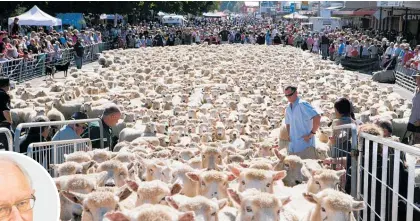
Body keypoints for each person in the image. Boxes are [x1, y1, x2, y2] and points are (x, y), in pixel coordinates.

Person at [284, 85, 321, 159]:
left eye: (290, 95)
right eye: (286, 96)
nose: (288, 97)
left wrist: (311, 134)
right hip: (293, 147)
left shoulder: (302, 104)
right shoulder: (288, 108)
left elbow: (317, 116)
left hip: (305, 147)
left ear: (296, 93)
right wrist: (289, 135)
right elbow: (288, 123)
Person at [406, 73, 420, 144]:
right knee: (411, 141)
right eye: (417, 78)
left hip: (418, 122)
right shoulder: (416, 89)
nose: (418, 80)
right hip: (412, 120)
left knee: (418, 143)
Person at [0, 77, 12, 150]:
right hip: (3, 124)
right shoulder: (4, 95)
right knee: (9, 143)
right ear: (6, 85)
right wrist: (10, 121)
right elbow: (5, 111)